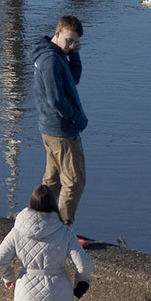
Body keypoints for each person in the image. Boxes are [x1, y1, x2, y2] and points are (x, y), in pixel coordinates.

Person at [30, 15, 88, 227]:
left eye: (76, 42)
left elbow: (74, 79)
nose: (71, 45)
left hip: (50, 129)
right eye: (69, 40)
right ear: (57, 33)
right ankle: (61, 228)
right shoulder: (51, 61)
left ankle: (35, 220)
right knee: (74, 182)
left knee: (52, 183)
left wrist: (74, 55)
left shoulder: (55, 54)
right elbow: (56, 100)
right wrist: (78, 119)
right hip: (61, 131)